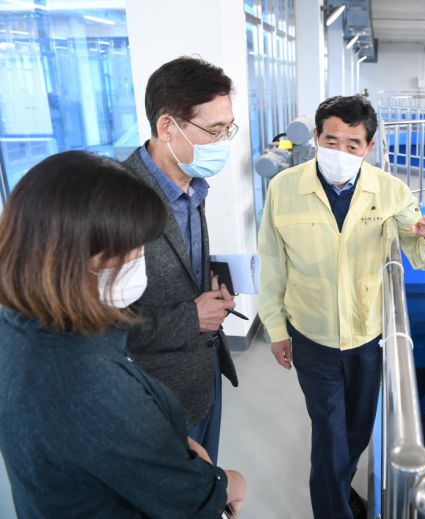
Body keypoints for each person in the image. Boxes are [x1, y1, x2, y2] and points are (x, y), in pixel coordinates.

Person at [0, 151, 246, 518]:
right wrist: (229, 483)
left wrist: (161, 441)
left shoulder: (19, 323)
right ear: (72, 255)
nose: (138, 260)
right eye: (130, 249)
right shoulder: (89, 381)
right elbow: (188, 498)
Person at [258, 95, 425, 519]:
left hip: (368, 335)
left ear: (369, 146)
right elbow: (272, 262)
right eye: (331, 141)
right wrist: (276, 329)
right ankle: (334, 510)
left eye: (352, 144)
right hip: (312, 334)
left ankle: (339, 492)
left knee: (357, 431)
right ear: (315, 137)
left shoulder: (391, 191)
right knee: (329, 434)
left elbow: (420, 258)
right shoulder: (284, 188)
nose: (340, 152)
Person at [123, 57, 239, 464]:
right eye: (213, 131)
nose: (223, 143)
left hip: (203, 377)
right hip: (154, 394)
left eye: (228, 130)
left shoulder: (192, 185)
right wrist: (192, 317)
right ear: (167, 126)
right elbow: (98, 328)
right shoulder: (115, 202)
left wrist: (211, 293)